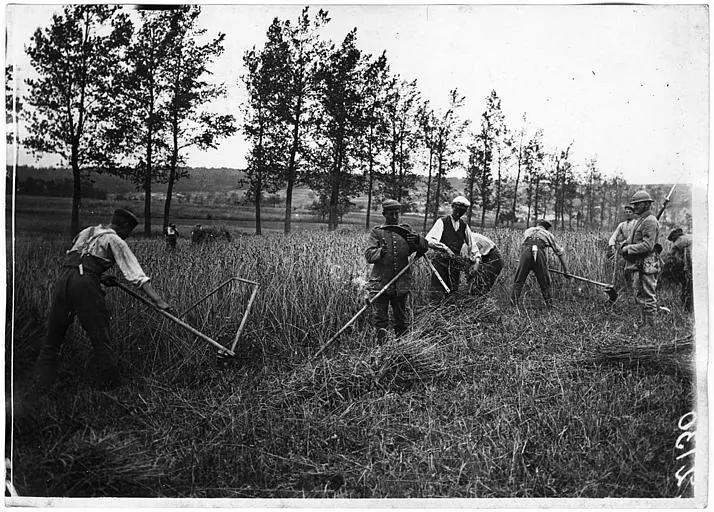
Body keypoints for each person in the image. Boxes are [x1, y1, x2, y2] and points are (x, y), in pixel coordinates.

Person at [33, 208, 173, 392]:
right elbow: (136, 275)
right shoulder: (115, 240)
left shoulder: (87, 231)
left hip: (63, 281)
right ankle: (112, 387)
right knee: (100, 336)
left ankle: (40, 386)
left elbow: (79, 261)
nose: (127, 237)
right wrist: (159, 301)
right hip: (84, 285)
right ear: (123, 226)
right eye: (128, 232)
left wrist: (98, 277)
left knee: (53, 337)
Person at [364, 199, 428, 342]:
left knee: (401, 319)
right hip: (381, 283)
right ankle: (382, 348)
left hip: (401, 283)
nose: (394, 217)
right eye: (390, 214)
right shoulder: (377, 232)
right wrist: (381, 252)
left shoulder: (406, 231)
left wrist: (418, 240)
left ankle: (402, 348)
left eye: (396, 214)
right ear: (384, 214)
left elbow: (423, 249)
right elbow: (369, 255)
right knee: (380, 320)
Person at [425, 196, 481, 300]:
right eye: (457, 209)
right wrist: (445, 248)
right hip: (440, 264)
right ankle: (433, 313)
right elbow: (428, 240)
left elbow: (473, 245)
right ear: (452, 207)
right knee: (437, 293)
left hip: (455, 265)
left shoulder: (464, 226)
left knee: (452, 294)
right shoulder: (442, 222)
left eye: (462, 211)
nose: (458, 213)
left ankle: (448, 313)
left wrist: (477, 261)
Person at [619, 190, 661, 327]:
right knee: (639, 294)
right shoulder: (642, 220)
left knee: (648, 295)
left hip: (647, 264)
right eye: (634, 204)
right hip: (639, 263)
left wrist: (628, 249)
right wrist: (625, 243)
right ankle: (645, 323)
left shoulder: (650, 221)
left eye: (637, 204)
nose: (634, 207)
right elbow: (636, 239)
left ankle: (651, 327)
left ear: (646, 204)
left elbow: (648, 245)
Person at [511, 220, 571, 307]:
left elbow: (525, 244)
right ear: (547, 228)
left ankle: (513, 306)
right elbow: (560, 253)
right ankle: (550, 305)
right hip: (539, 254)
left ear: (538, 225)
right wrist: (566, 271)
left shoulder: (528, 230)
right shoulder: (548, 234)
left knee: (519, 280)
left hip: (526, 253)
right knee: (544, 281)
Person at [663, 227, 693, 313]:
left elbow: (670, 254)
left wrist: (665, 267)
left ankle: (687, 308)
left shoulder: (680, 240)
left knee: (688, 286)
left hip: (690, 266)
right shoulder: (690, 236)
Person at [466, 231, 503, 296]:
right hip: (487, 256)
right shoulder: (466, 237)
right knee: (477, 285)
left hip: (493, 257)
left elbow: (476, 256)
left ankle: (477, 302)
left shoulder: (469, 238)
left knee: (481, 287)